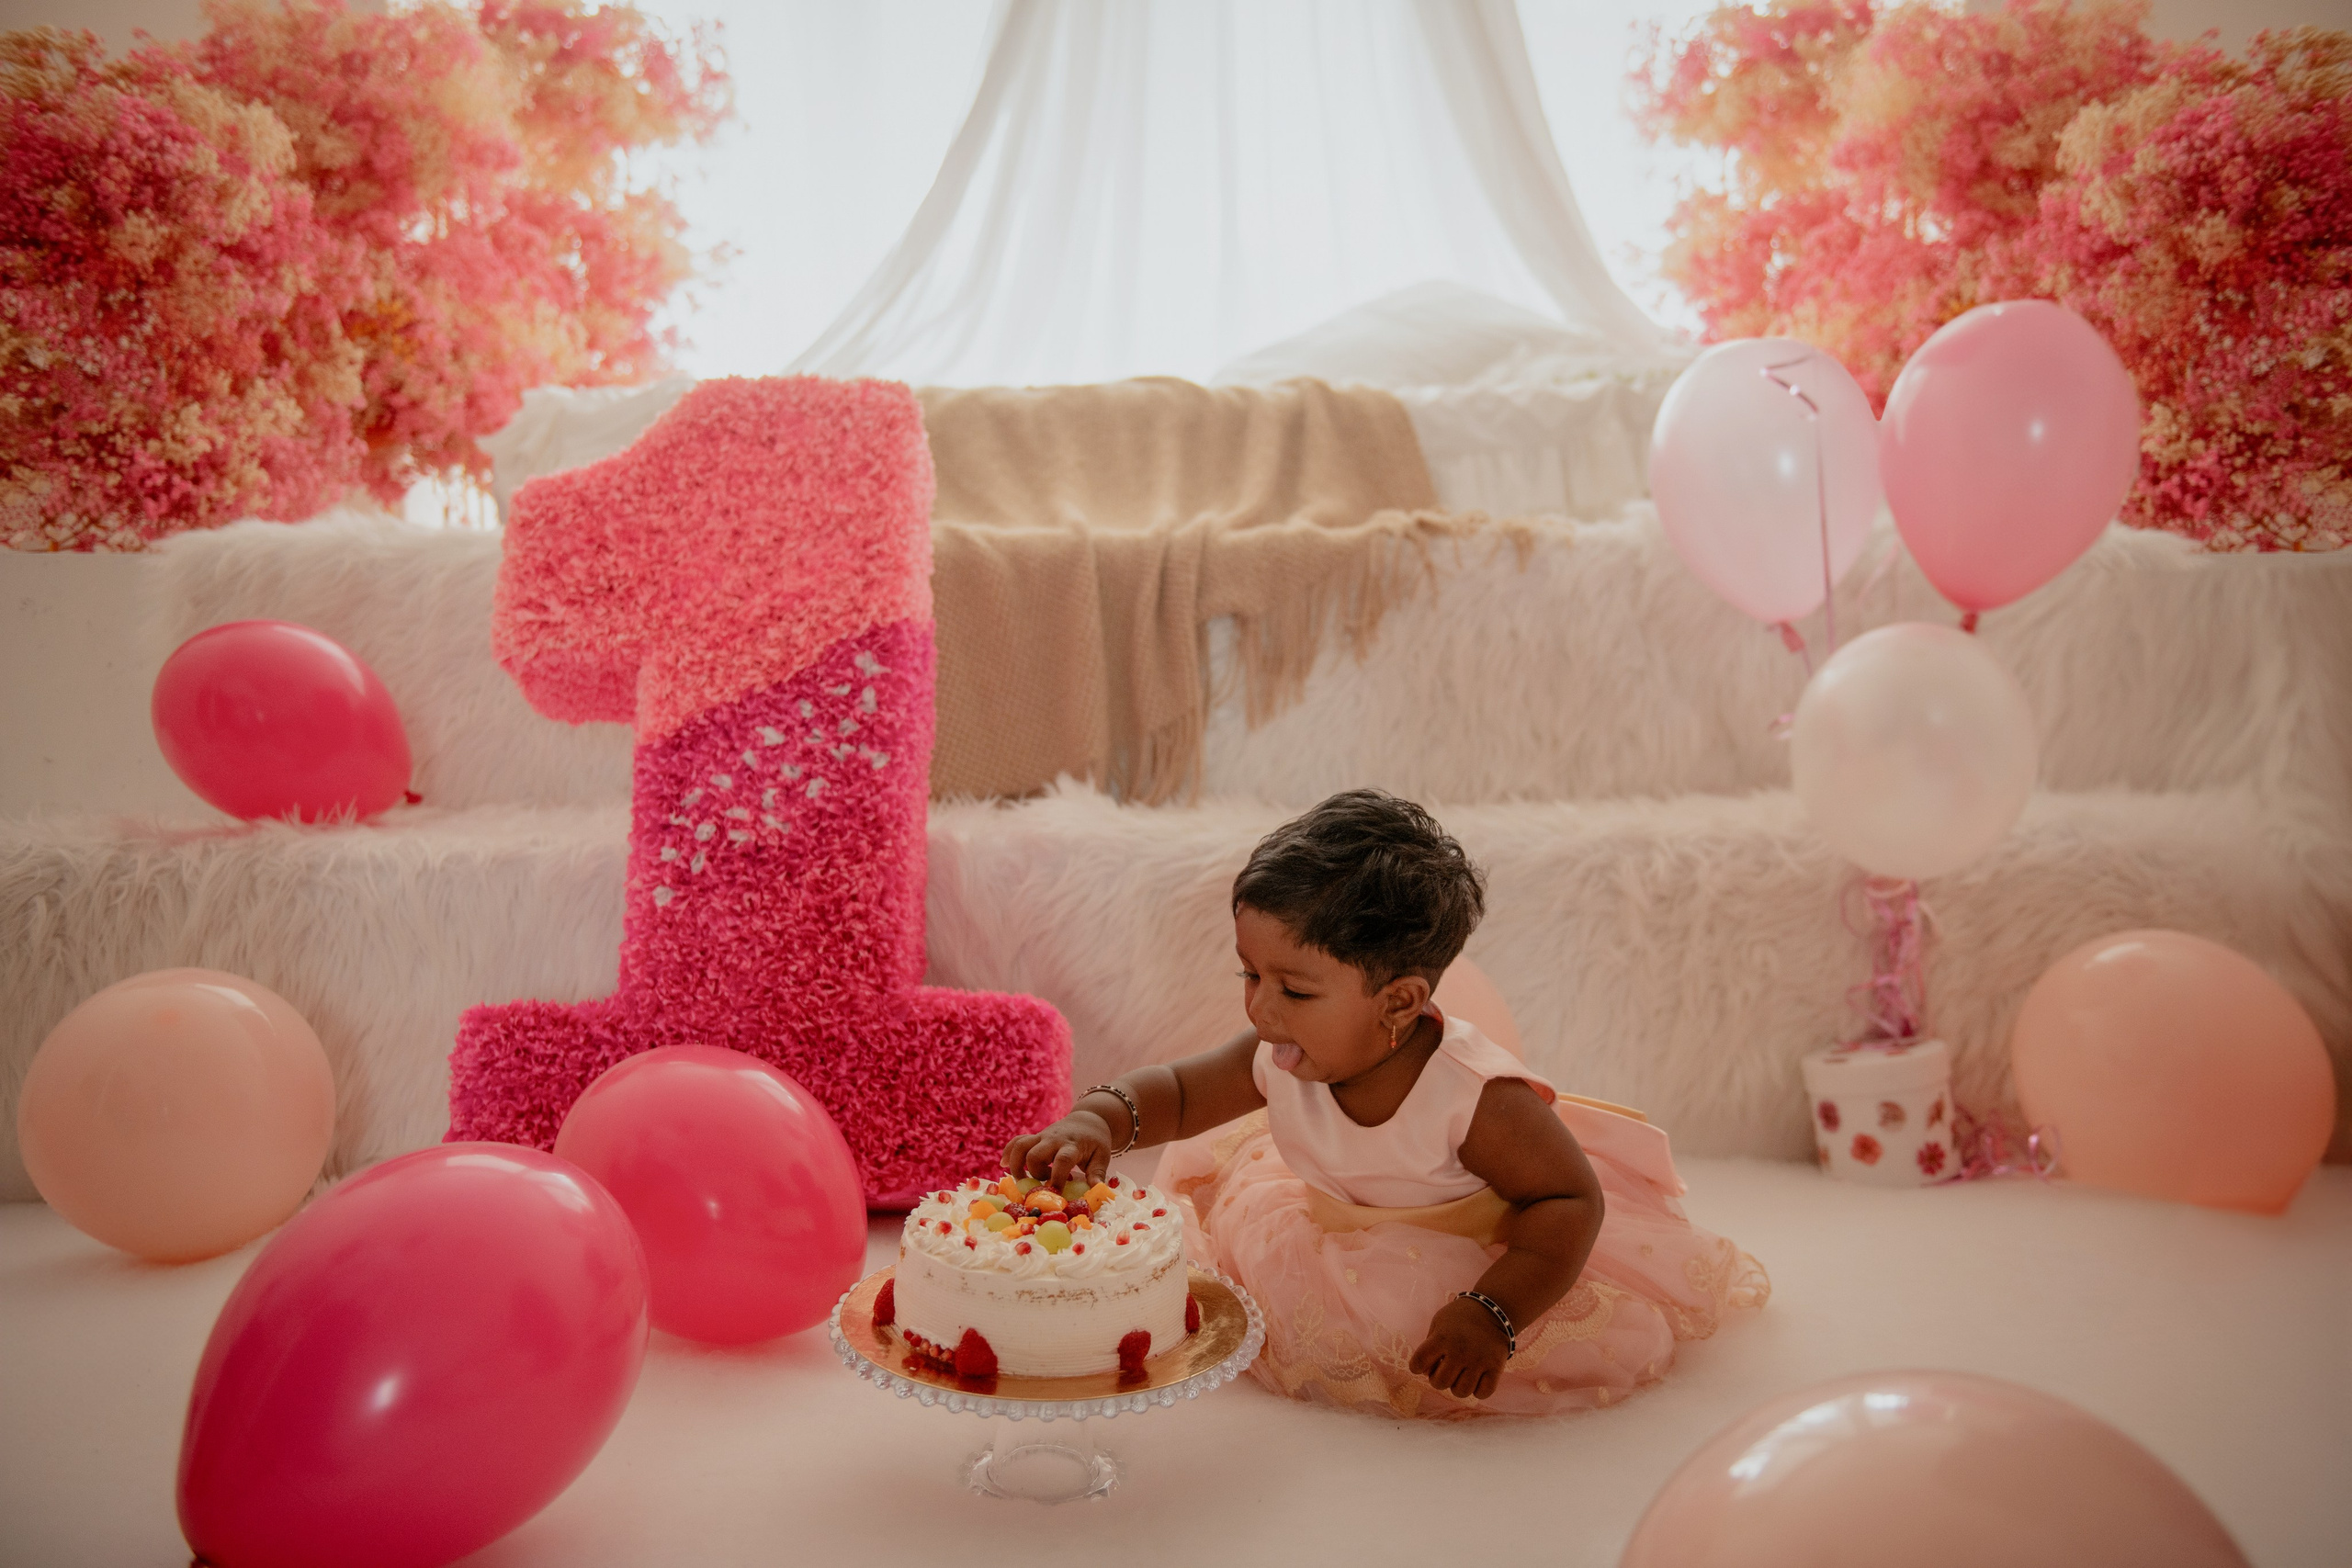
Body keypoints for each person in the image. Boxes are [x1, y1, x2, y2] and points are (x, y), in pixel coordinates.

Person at [1005, 789, 1768, 1419]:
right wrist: (1095, 1118)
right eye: (1250, 975)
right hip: (1322, 1222)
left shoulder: (1477, 1099)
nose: (1260, 1011)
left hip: (1466, 1253)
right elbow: (1176, 1092)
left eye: (1294, 989)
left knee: (1439, 1342)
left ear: (1399, 1001)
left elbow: (1569, 1198)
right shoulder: (1281, 1053)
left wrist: (1493, 1312)